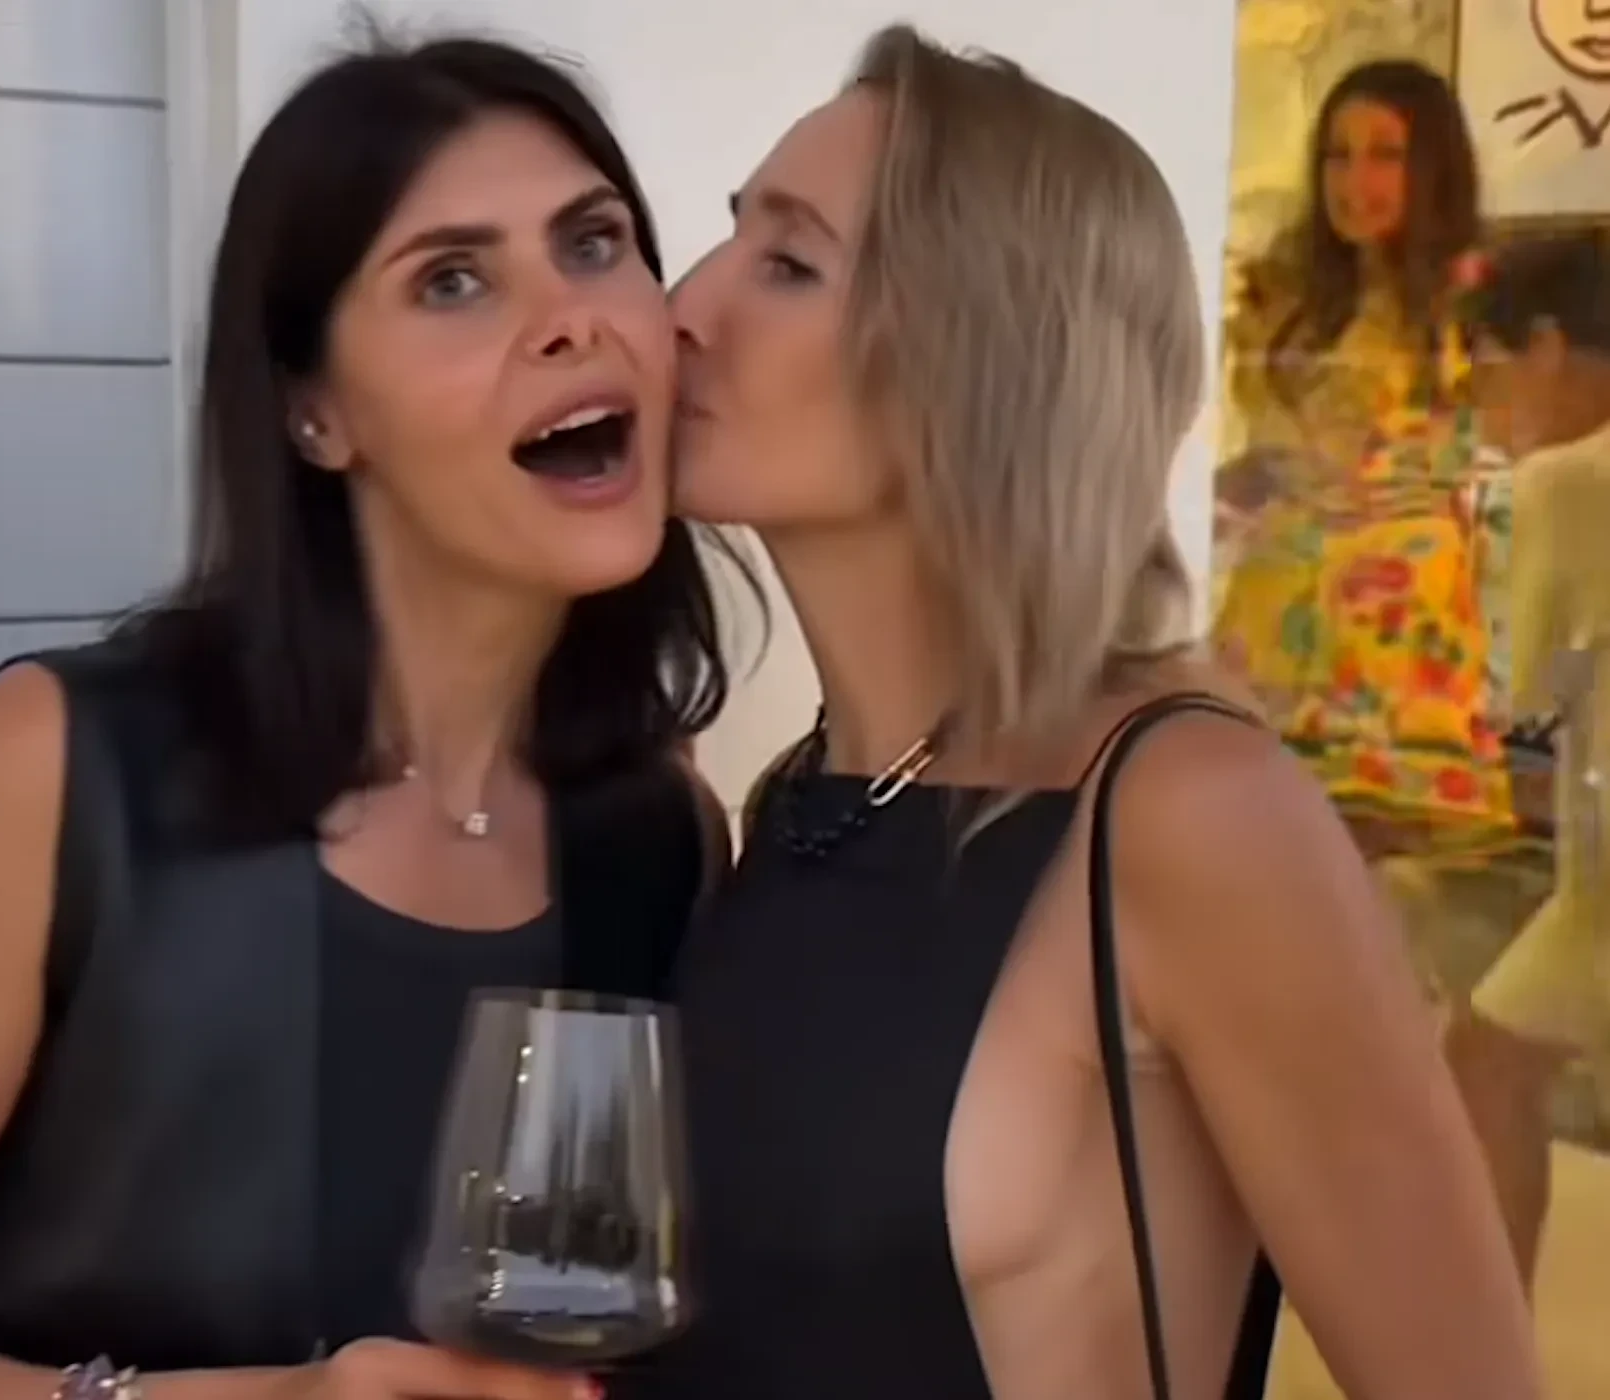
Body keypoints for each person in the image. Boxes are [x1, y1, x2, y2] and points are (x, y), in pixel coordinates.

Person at [0, 30, 732, 1400]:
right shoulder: (63, 772)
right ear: (315, 414)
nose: (568, 318)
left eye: (592, 244)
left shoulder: (659, 841)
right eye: (453, 280)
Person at [628, 26, 1538, 1400]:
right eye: (729, 235)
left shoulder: (1188, 817)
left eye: (788, 263)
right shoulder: (805, 805)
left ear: (979, 362)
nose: (683, 306)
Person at [1212, 60, 1513, 871]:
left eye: (1386, 154)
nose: (1355, 181)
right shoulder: (1287, 294)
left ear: (1432, 166)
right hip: (1281, 599)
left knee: (1376, 855)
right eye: (1338, 156)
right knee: (1255, 849)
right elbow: (1273, 451)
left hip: (1397, 614)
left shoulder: (1471, 297)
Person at [1448, 232, 1610, 1288]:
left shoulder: (1563, 480)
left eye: (1491, 372)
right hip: (1591, 895)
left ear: (1546, 348)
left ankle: (1482, 1346)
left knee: (1482, 1065)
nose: (1489, 408)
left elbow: (1534, 692)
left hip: (1602, 891)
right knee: (1487, 1058)